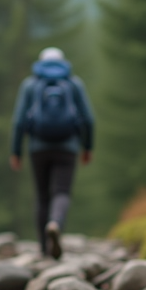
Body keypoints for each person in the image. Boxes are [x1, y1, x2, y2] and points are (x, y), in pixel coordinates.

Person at [9, 47, 94, 259]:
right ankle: (55, 223)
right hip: (68, 147)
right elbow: (88, 119)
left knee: (42, 196)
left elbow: (19, 121)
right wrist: (87, 147)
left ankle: (43, 249)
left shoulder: (30, 84)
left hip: (38, 147)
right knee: (61, 192)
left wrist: (16, 151)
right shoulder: (74, 83)